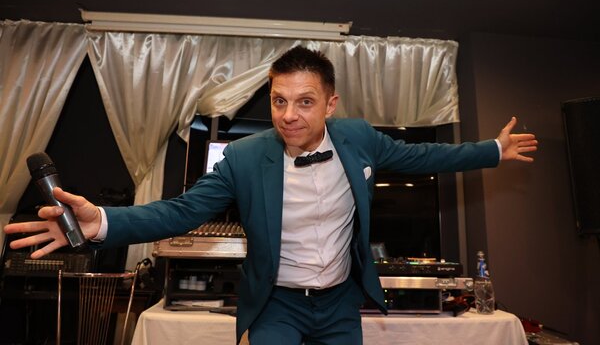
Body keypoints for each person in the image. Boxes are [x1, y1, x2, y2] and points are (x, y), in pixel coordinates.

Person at [4, 46, 537, 345]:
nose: (288, 115)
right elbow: (182, 211)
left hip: (340, 303)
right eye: (280, 101)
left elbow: (425, 157)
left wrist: (492, 149)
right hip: (276, 304)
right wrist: (101, 222)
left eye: (305, 102)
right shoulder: (244, 157)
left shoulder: (359, 139)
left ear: (330, 104)